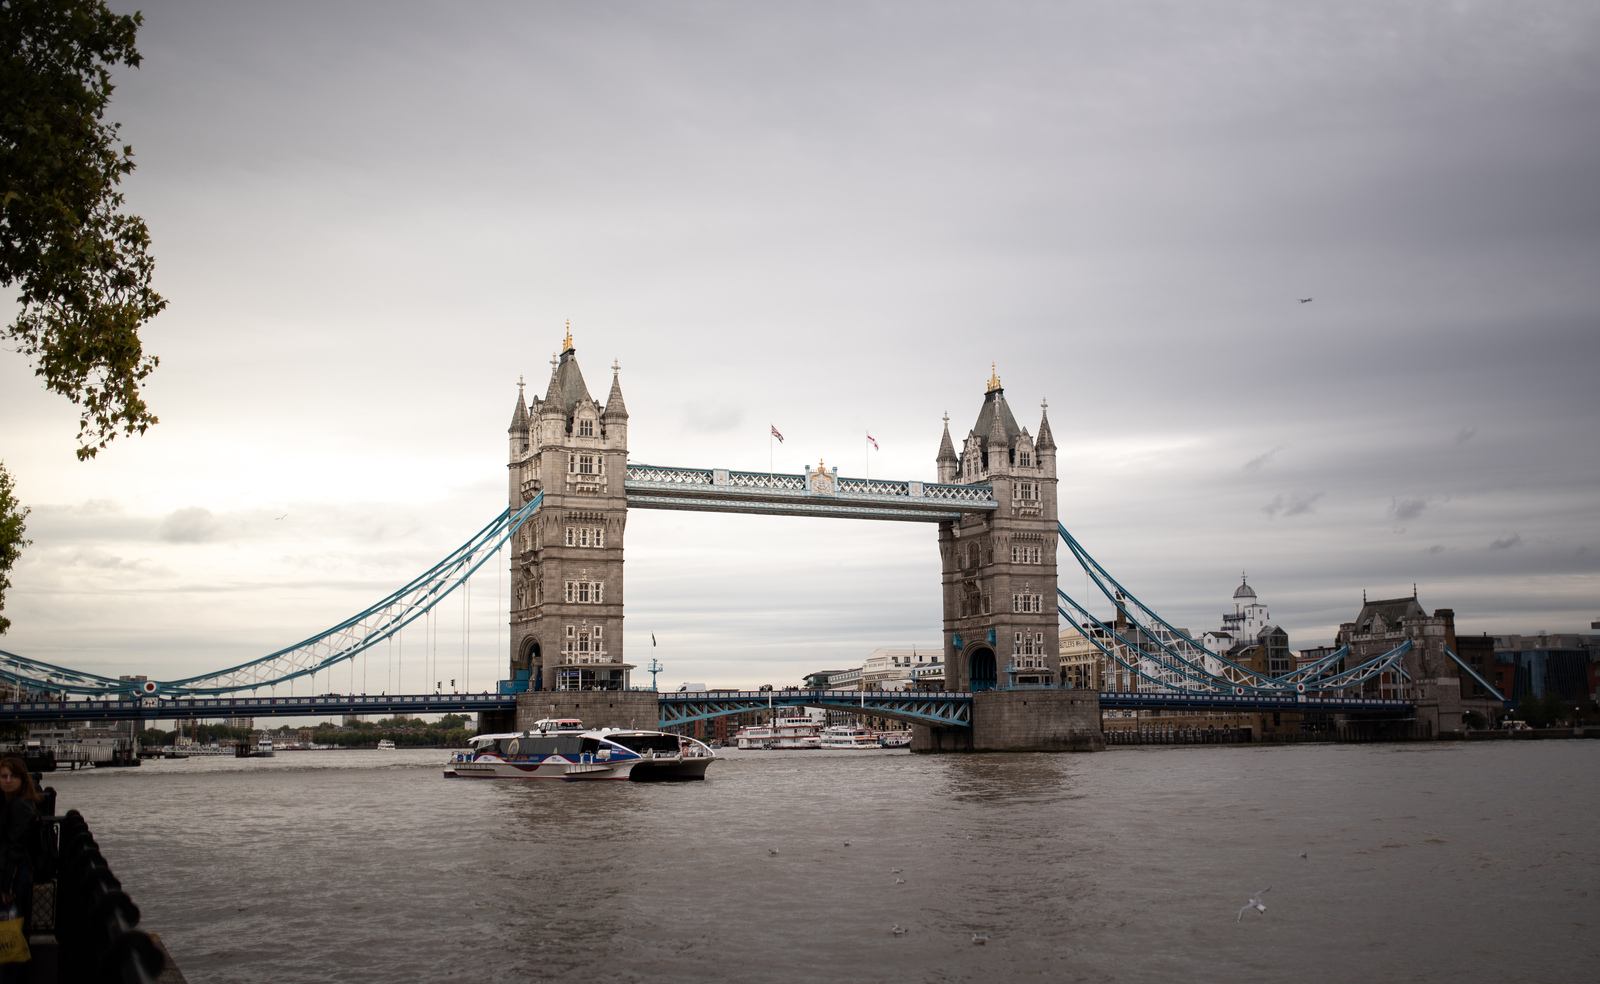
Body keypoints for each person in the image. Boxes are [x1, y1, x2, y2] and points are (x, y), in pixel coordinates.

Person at [0, 756, 41, 980]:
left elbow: (14, 848)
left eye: (12, 776)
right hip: (15, 873)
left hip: (15, 876)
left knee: (11, 930)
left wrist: (6, 886)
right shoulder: (10, 802)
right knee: (12, 929)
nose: (7, 780)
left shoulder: (20, 806)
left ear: (21, 779)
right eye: (3, 776)